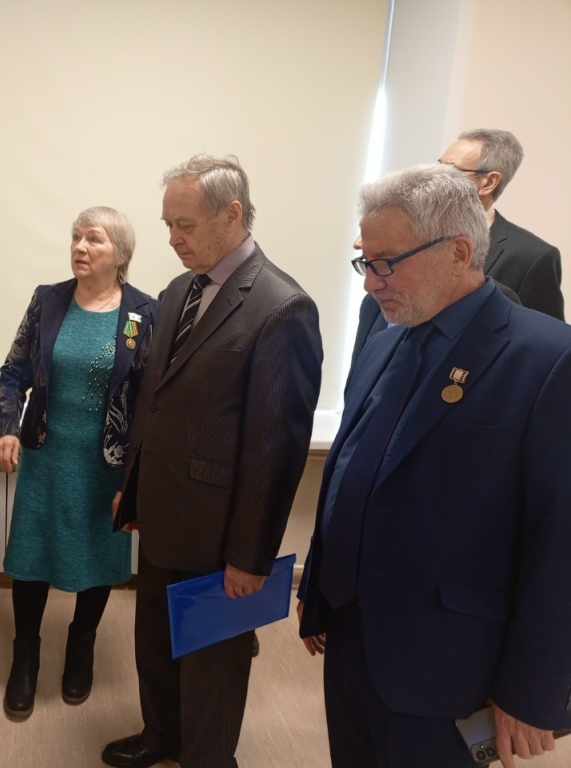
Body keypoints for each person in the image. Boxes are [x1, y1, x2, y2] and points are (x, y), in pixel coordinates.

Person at [298, 163, 571, 768]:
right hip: (352, 639)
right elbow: (352, 469)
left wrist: (535, 690)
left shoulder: (548, 359)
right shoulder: (386, 339)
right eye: (364, 262)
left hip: (449, 664)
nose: (371, 283)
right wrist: (321, 589)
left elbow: (560, 543)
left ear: (459, 252)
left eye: (386, 263)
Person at [102, 154, 322, 768]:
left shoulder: (281, 307)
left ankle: (206, 757)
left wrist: (250, 557)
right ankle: (161, 735)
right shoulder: (180, 290)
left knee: (212, 663)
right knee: (154, 641)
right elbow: (156, 400)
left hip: (221, 528)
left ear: (232, 214)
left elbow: (276, 450)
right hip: (163, 511)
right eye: (168, 225)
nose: (173, 239)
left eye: (186, 226)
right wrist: (134, 488)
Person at [0, 206, 159, 719]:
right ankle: (25, 657)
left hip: (107, 466)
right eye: (76, 237)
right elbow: (14, 371)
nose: (80, 247)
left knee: (98, 557)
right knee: (31, 556)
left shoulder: (144, 314)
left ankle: (81, 646)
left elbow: (151, 402)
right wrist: (8, 426)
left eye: (94, 239)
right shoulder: (48, 301)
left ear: (121, 253)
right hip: (46, 456)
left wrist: (135, 478)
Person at [350, 129, 564, 370]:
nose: (437, 175)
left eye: (451, 170)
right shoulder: (378, 292)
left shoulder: (531, 256)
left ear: (489, 182)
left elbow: (540, 355)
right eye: (438, 165)